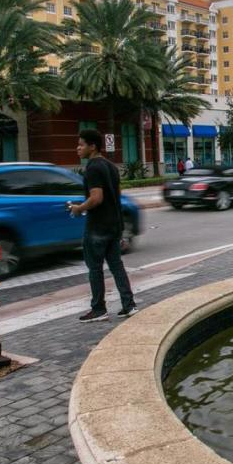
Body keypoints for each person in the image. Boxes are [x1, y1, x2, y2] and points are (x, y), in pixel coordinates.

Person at [70, 129, 137, 322]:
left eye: (81, 144)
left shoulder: (93, 168)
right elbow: (116, 194)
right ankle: (129, 304)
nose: (78, 148)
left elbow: (97, 198)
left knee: (95, 269)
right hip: (114, 225)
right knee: (117, 266)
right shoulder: (111, 166)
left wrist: (79, 208)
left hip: (97, 227)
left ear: (93, 146)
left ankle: (98, 309)